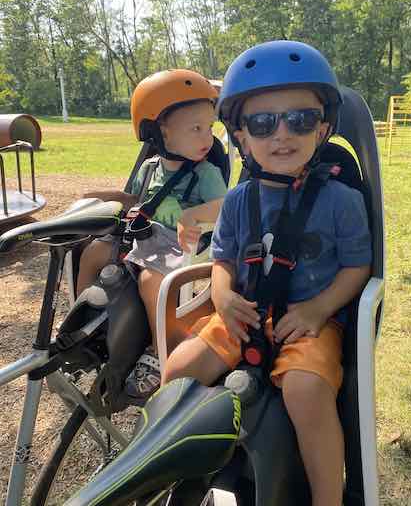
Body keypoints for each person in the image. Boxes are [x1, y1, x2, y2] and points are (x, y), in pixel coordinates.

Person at [162, 41, 372, 506]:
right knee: (177, 367)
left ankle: (326, 498)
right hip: (245, 315)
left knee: (304, 389)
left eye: (300, 119)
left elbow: (359, 266)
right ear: (241, 136)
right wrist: (221, 295)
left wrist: (319, 308)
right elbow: (223, 260)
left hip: (309, 322)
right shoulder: (239, 201)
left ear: (323, 127)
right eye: (262, 122)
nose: (282, 134)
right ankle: (173, 470)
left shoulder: (342, 200)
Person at [77, 69, 228, 399]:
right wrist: (109, 197)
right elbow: (136, 200)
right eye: (196, 129)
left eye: (210, 128)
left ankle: (161, 349)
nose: (208, 139)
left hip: (181, 244)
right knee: (93, 252)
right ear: (162, 133)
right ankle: (85, 320)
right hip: (145, 235)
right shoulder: (149, 169)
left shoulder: (205, 172)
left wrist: (194, 214)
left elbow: (225, 205)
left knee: (150, 282)